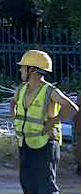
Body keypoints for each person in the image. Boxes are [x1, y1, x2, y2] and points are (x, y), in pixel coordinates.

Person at [14, 49, 79, 194]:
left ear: (32, 69)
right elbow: (13, 102)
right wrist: (14, 117)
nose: (20, 70)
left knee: (45, 187)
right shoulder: (22, 89)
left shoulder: (50, 91)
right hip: (25, 144)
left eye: (23, 67)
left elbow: (72, 108)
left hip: (45, 144)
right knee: (28, 185)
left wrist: (53, 121)